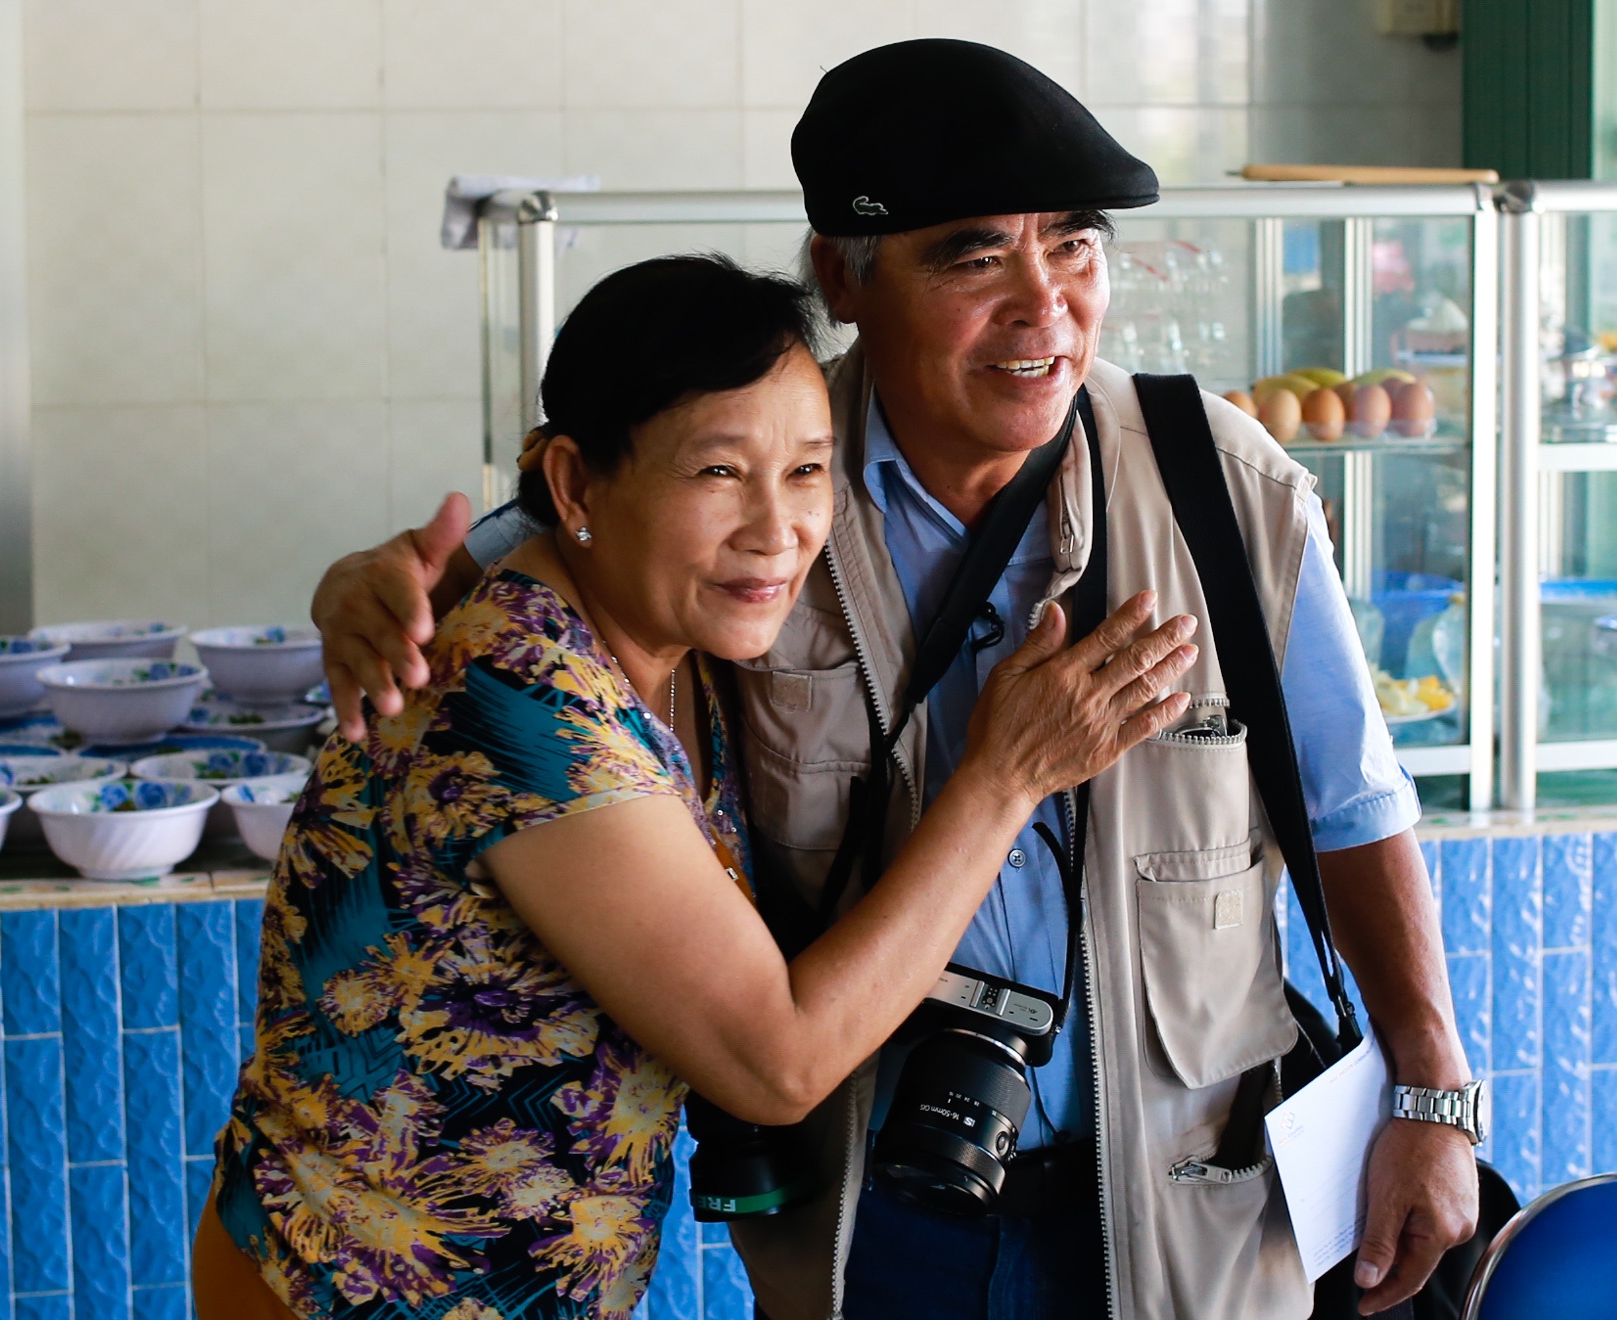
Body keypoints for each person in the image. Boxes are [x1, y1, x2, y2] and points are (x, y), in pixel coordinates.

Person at [312, 40, 1481, 1320]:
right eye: (974, 259)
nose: (1043, 308)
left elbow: (1352, 809)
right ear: (843, 277)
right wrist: (367, 582)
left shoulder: (1222, 488)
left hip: (1193, 1199)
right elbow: (523, 550)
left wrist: (1431, 1091)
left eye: (1074, 247)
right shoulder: (758, 496)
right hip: (877, 1215)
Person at [196, 254, 1197, 1320]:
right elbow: (778, 1061)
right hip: (353, 1286)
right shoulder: (516, 696)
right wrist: (1004, 778)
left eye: (807, 471)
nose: (777, 529)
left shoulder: (675, 645)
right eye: (719, 472)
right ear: (577, 485)